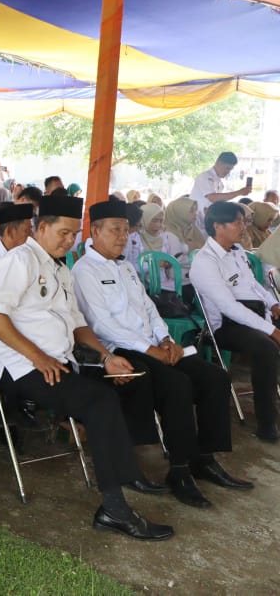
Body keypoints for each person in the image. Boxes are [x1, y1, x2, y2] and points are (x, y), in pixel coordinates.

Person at [0, 195, 174, 540]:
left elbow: (78, 325)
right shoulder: (19, 261)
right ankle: (114, 507)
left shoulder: (60, 268)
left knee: (129, 378)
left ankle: (125, 476)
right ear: (41, 228)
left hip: (61, 363)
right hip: (24, 368)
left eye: (74, 234)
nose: (70, 241)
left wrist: (106, 358)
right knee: (99, 401)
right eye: (63, 233)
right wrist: (38, 357)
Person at [74, 198, 252, 508]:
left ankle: (204, 458)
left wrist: (167, 339)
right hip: (121, 350)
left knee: (215, 378)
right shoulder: (84, 270)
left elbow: (149, 307)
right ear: (95, 231)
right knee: (176, 385)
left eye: (126, 230)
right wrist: (151, 349)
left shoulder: (126, 266)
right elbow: (101, 324)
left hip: (154, 344)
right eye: (115, 230)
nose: (122, 237)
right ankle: (179, 470)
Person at [191, 201, 280, 442]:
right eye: (238, 222)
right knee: (267, 348)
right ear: (218, 226)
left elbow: (254, 286)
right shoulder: (205, 261)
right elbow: (229, 307)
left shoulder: (238, 252)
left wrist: (273, 304)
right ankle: (267, 423)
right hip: (226, 325)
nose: (244, 227)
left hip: (256, 314)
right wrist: (272, 330)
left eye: (245, 221)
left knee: (268, 341)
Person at [136, 203, 189, 294]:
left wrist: (168, 263)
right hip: (141, 287)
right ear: (144, 219)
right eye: (154, 220)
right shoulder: (135, 239)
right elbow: (132, 265)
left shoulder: (164, 237)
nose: (158, 225)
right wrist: (155, 264)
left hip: (163, 285)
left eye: (161, 221)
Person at [164, 197, 205, 304]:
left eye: (195, 210)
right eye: (191, 211)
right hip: (181, 281)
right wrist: (201, 261)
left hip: (195, 277)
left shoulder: (193, 229)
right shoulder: (170, 233)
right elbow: (177, 259)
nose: (195, 214)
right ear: (179, 213)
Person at [190, 152, 251, 218]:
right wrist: (240, 192)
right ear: (218, 163)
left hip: (208, 218)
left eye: (230, 169)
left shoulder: (220, 182)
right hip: (196, 219)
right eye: (227, 168)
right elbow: (213, 198)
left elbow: (218, 200)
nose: (228, 172)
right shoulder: (204, 177)